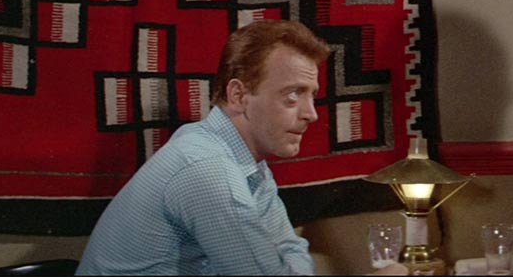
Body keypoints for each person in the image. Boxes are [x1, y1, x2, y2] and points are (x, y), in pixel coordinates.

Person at [78, 20, 407, 275]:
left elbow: (290, 251)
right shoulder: (207, 168)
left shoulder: (245, 163)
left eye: (312, 95)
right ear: (238, 95)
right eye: (293, 95)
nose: (311, 114)